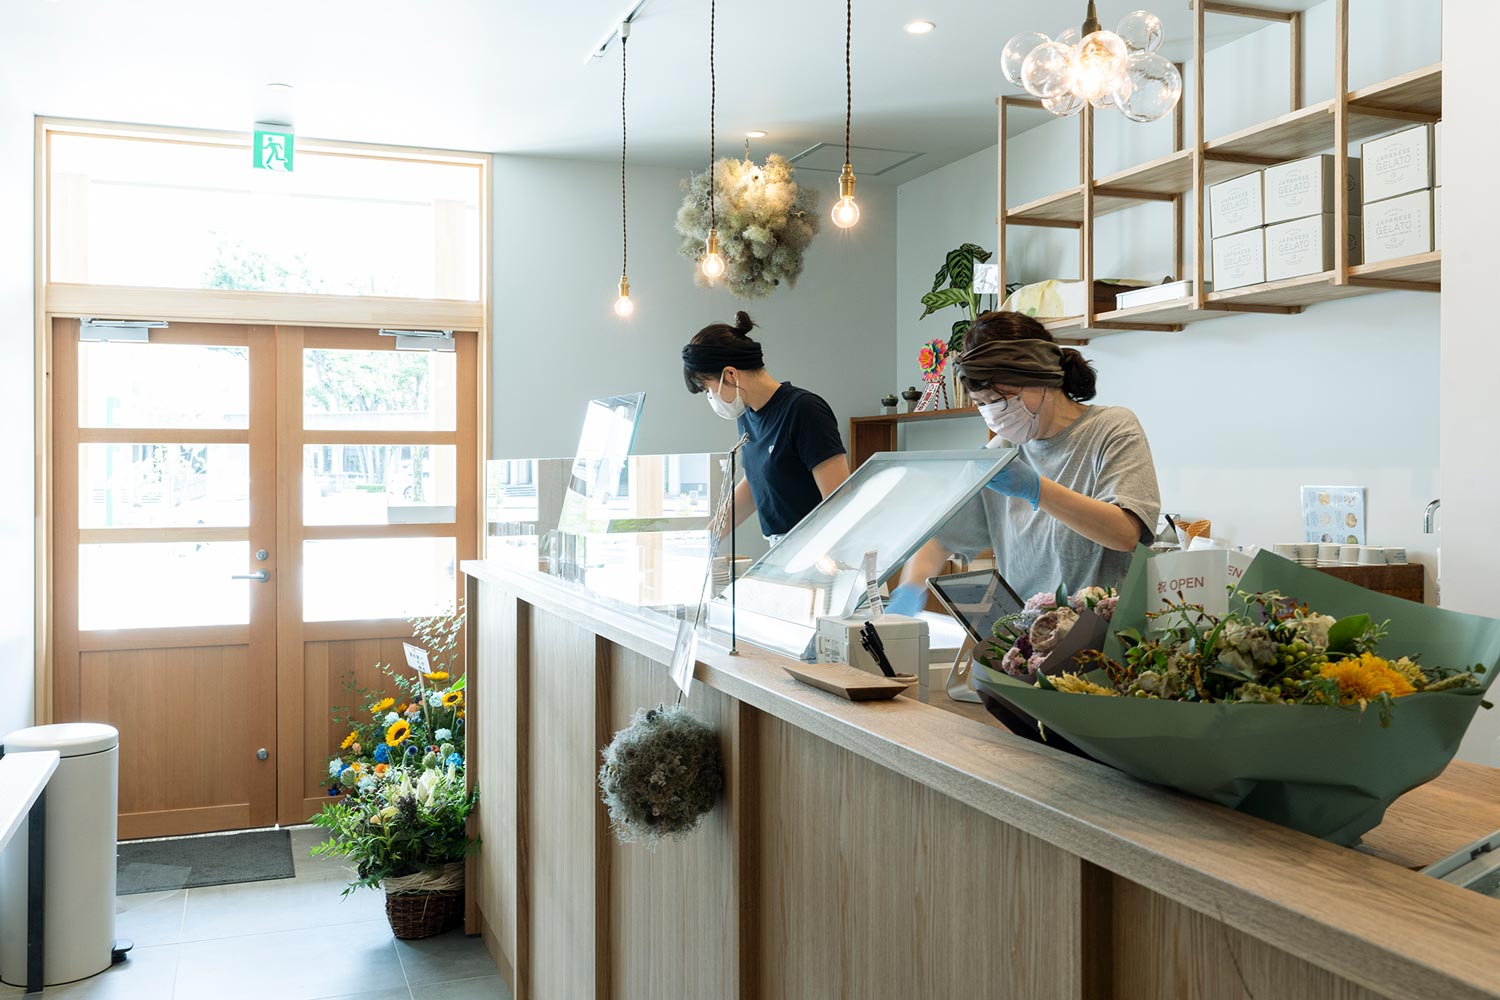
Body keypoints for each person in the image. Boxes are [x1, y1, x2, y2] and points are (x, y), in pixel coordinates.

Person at [887, 311, 1160, 613]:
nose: (993, 413)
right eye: (981, 403)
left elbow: (1125, 534)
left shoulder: (1111, 428)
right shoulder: (999, 453)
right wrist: (910, 589)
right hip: (1025, 636)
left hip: (1101, 634)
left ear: (1041, 380)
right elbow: (941, 538)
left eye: (1000, 399)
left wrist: (1036, 490)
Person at [681, 311, 850, 543]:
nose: (710, 397)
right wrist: (708, 538)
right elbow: (756, 483)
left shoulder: (804, 410)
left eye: (707, 389)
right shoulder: (746, 415)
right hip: (781, 546)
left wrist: (816, 552)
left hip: (816, 545)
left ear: (730, 374)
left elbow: (839, 498)